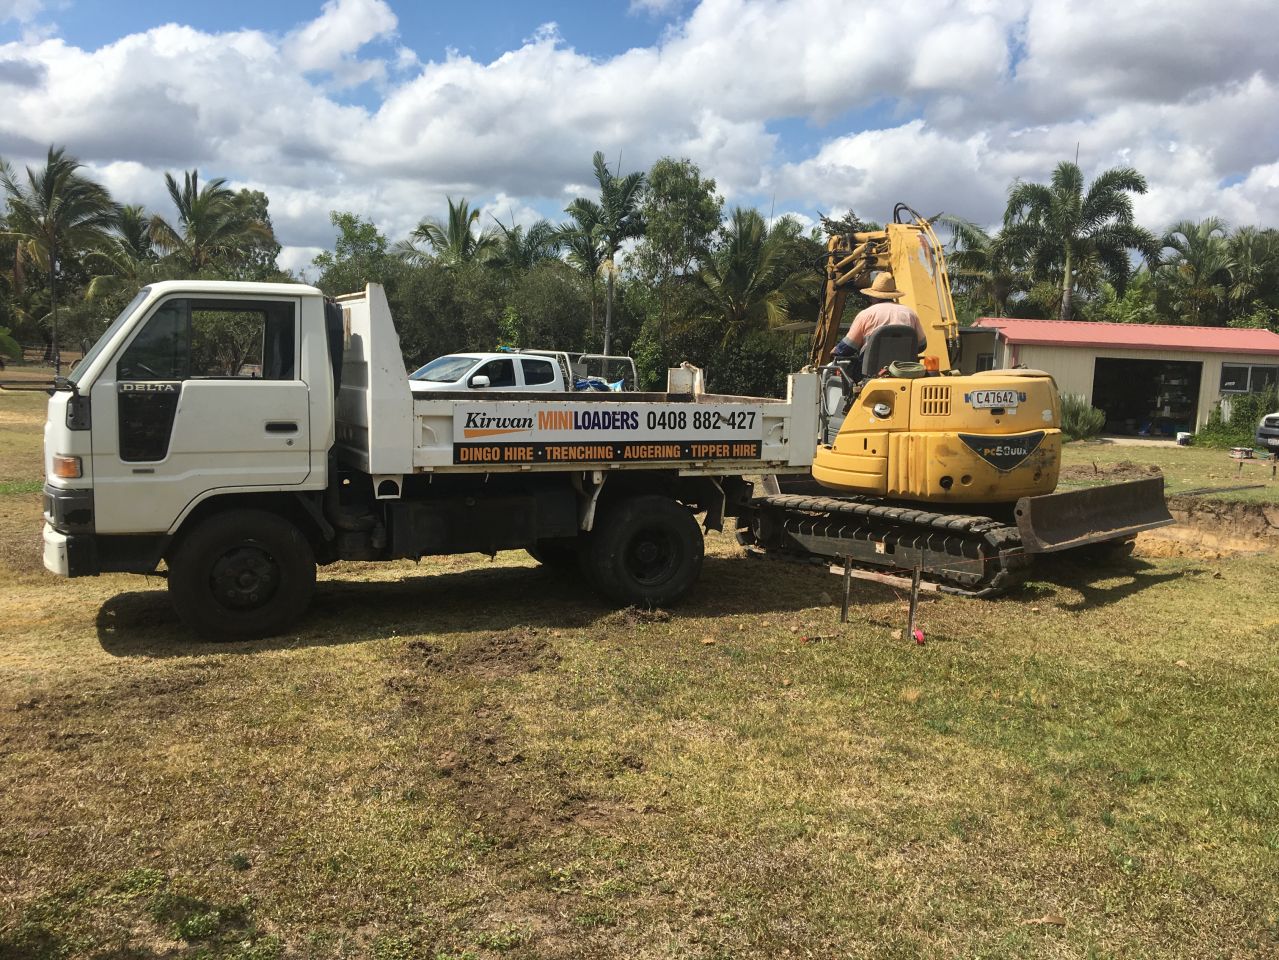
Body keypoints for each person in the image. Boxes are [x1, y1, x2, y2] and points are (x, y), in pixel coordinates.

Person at [831, 272, 926, 361]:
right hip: (903, 369)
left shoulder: (866, 314)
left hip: (870, 372)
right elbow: (921, 345)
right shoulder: (910, 313)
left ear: (873, 296)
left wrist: (836, 351)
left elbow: (849, 347)